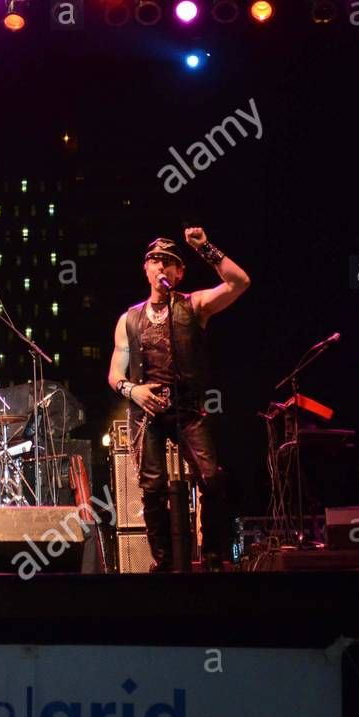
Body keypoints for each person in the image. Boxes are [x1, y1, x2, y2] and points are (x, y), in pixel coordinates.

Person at [107, 228, 250, 571]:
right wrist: (134, 390)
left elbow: (239, 282)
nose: (162, 266)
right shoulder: (129, 319)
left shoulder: (194, 305)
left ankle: (212, 554)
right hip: (146, 411)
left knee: (211, 478)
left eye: (169, 262)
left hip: (188, 409)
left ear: (179, 272)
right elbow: (114, 374)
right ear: (146, 269)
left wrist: (205, 247)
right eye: (155, 261)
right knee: (152, 487)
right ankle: (163, 561)